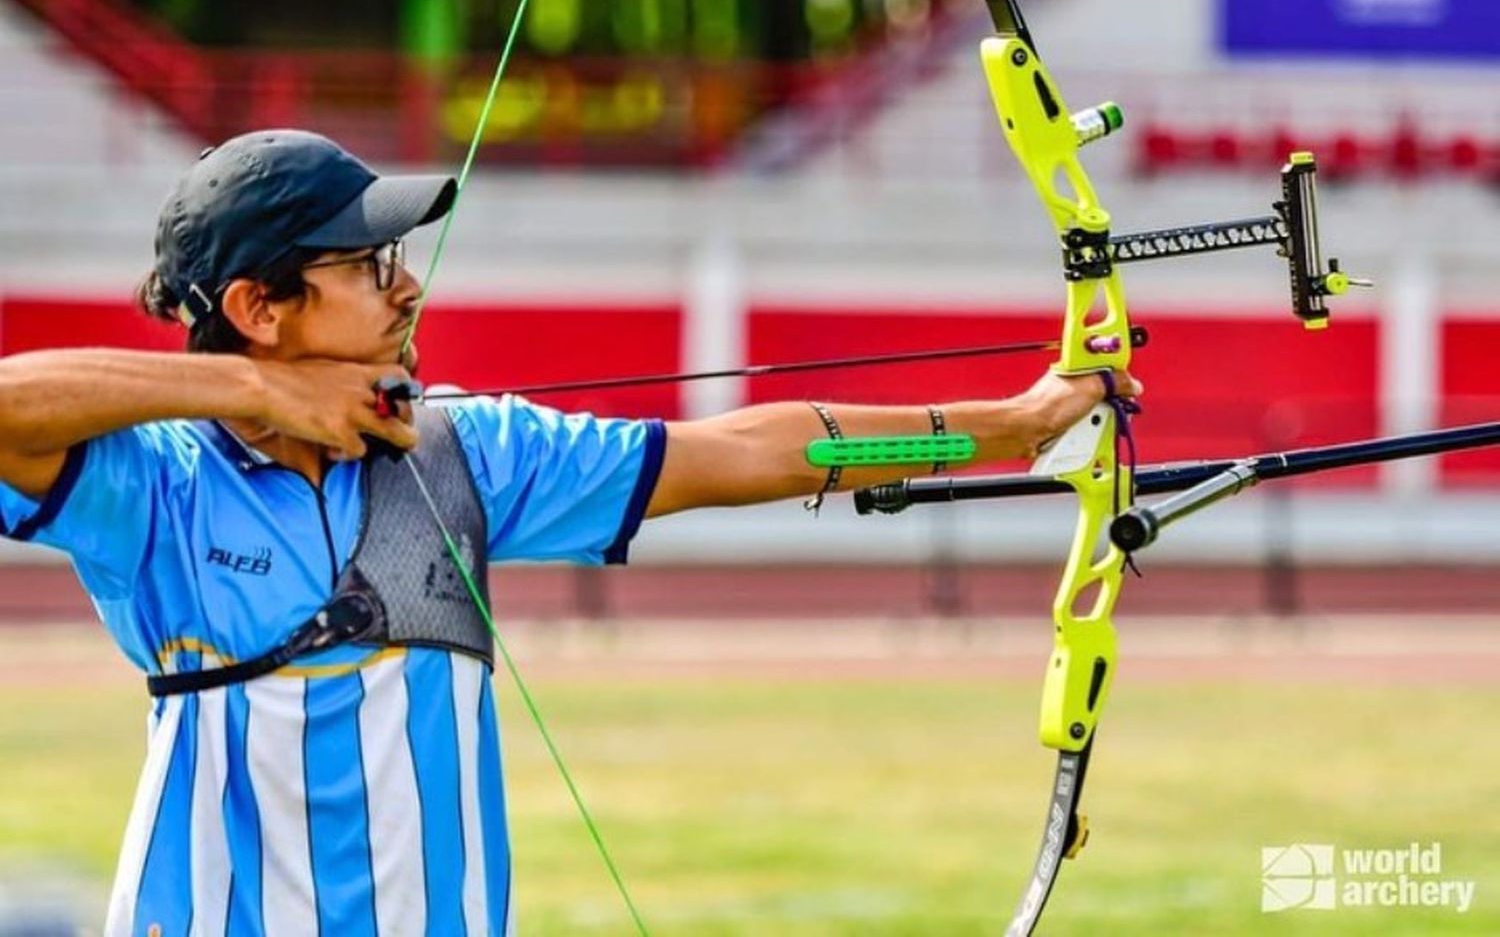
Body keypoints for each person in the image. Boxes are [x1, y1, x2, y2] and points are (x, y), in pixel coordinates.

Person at [0, 130, 1139, 936]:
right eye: (365, 266)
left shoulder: (461, 452)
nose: (407, 292)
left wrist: (1012, 422)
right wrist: (260, 399)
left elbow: (746, 452)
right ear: (258, 308)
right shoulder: (157, 485)